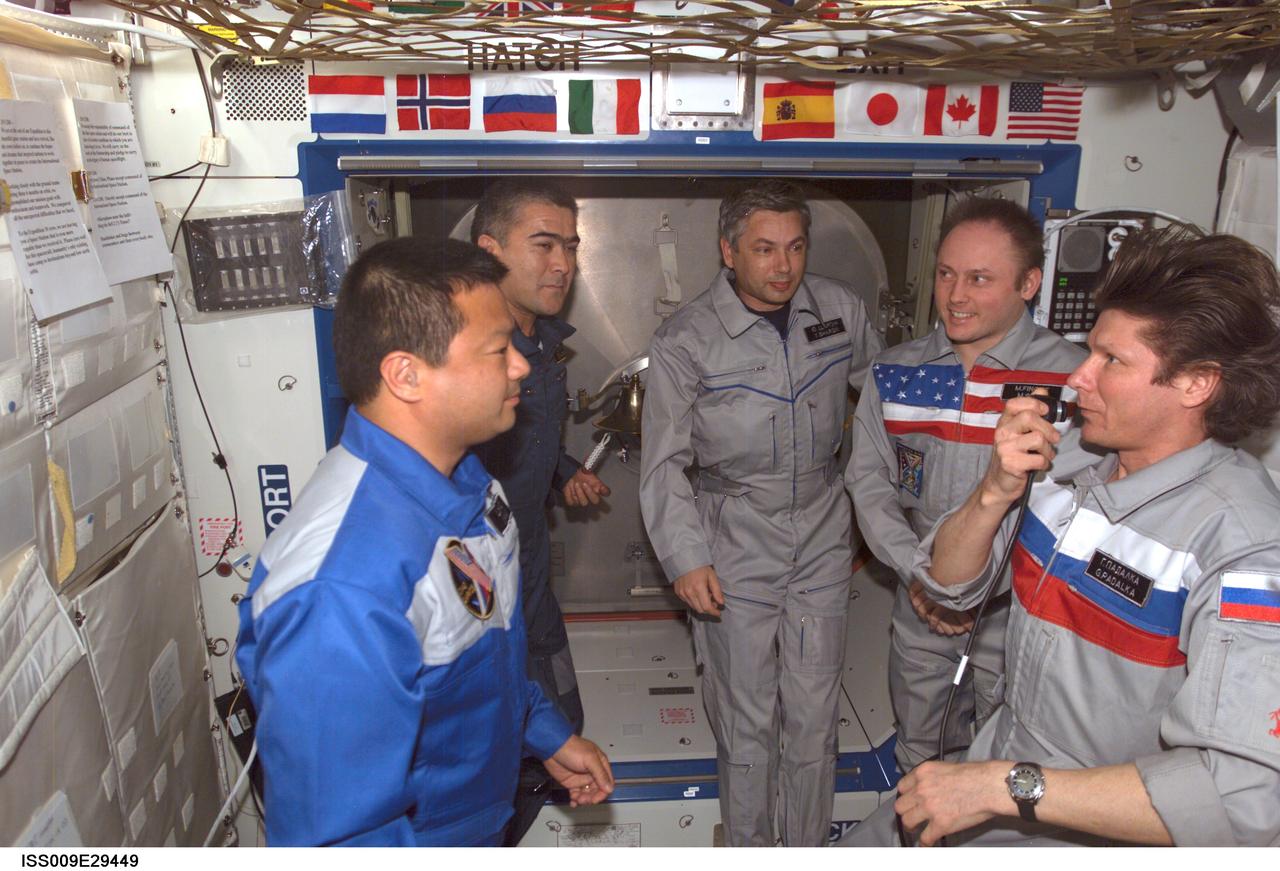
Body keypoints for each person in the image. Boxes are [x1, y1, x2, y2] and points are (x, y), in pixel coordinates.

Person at [846, 227, 1280, 846]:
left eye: (1113, 362)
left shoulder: (1244, 548)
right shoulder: (1071, 463)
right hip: (1002, 762)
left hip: (1086, 819)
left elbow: (1243, 805)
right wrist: (996, 490)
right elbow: (949, 583)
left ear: (1196, 383)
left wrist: (1007, 788)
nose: (1078, 379)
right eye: (1089, 352)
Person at [235, 238, 613, 846]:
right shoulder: (342, 589)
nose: (520, 365)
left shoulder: (466, 482)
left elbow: (478, 652)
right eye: (497, 350)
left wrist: (544, 733)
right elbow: (342, 840)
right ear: (406, 374)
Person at [640, 179, 884, 846]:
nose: (783, 266)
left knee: (813, 707)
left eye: (796, 247)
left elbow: (885, 408)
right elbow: (662, 461)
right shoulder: (687, 338)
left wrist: (875, 511)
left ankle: (803, 848)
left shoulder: (839, 310)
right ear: (729, 251)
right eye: (765, 249)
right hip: (735, 531)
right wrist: (686, 557)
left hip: (822, 528)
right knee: (747, 713)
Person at [847, 198, 1088, 774]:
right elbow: (868, 482)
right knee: (920, 759)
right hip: (922, 605)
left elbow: (1078, 512)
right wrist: (922, 577)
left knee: (1008, 769)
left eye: (980, 279)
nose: (956, 296)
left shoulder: (1075, 382)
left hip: (1021, 616)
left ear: (1029, 283)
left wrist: (972, 594)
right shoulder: (898, 372)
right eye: (947, 274)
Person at [470, 180, 610, 845]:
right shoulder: (470, 359)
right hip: (480, 601)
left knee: (562, 720)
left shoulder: (543, 344)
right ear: (489, 251)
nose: (563, 264)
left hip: (532, 586)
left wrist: (564, 470)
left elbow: (524, 440)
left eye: (571, 247)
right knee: (496, 756)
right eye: (543, 244)